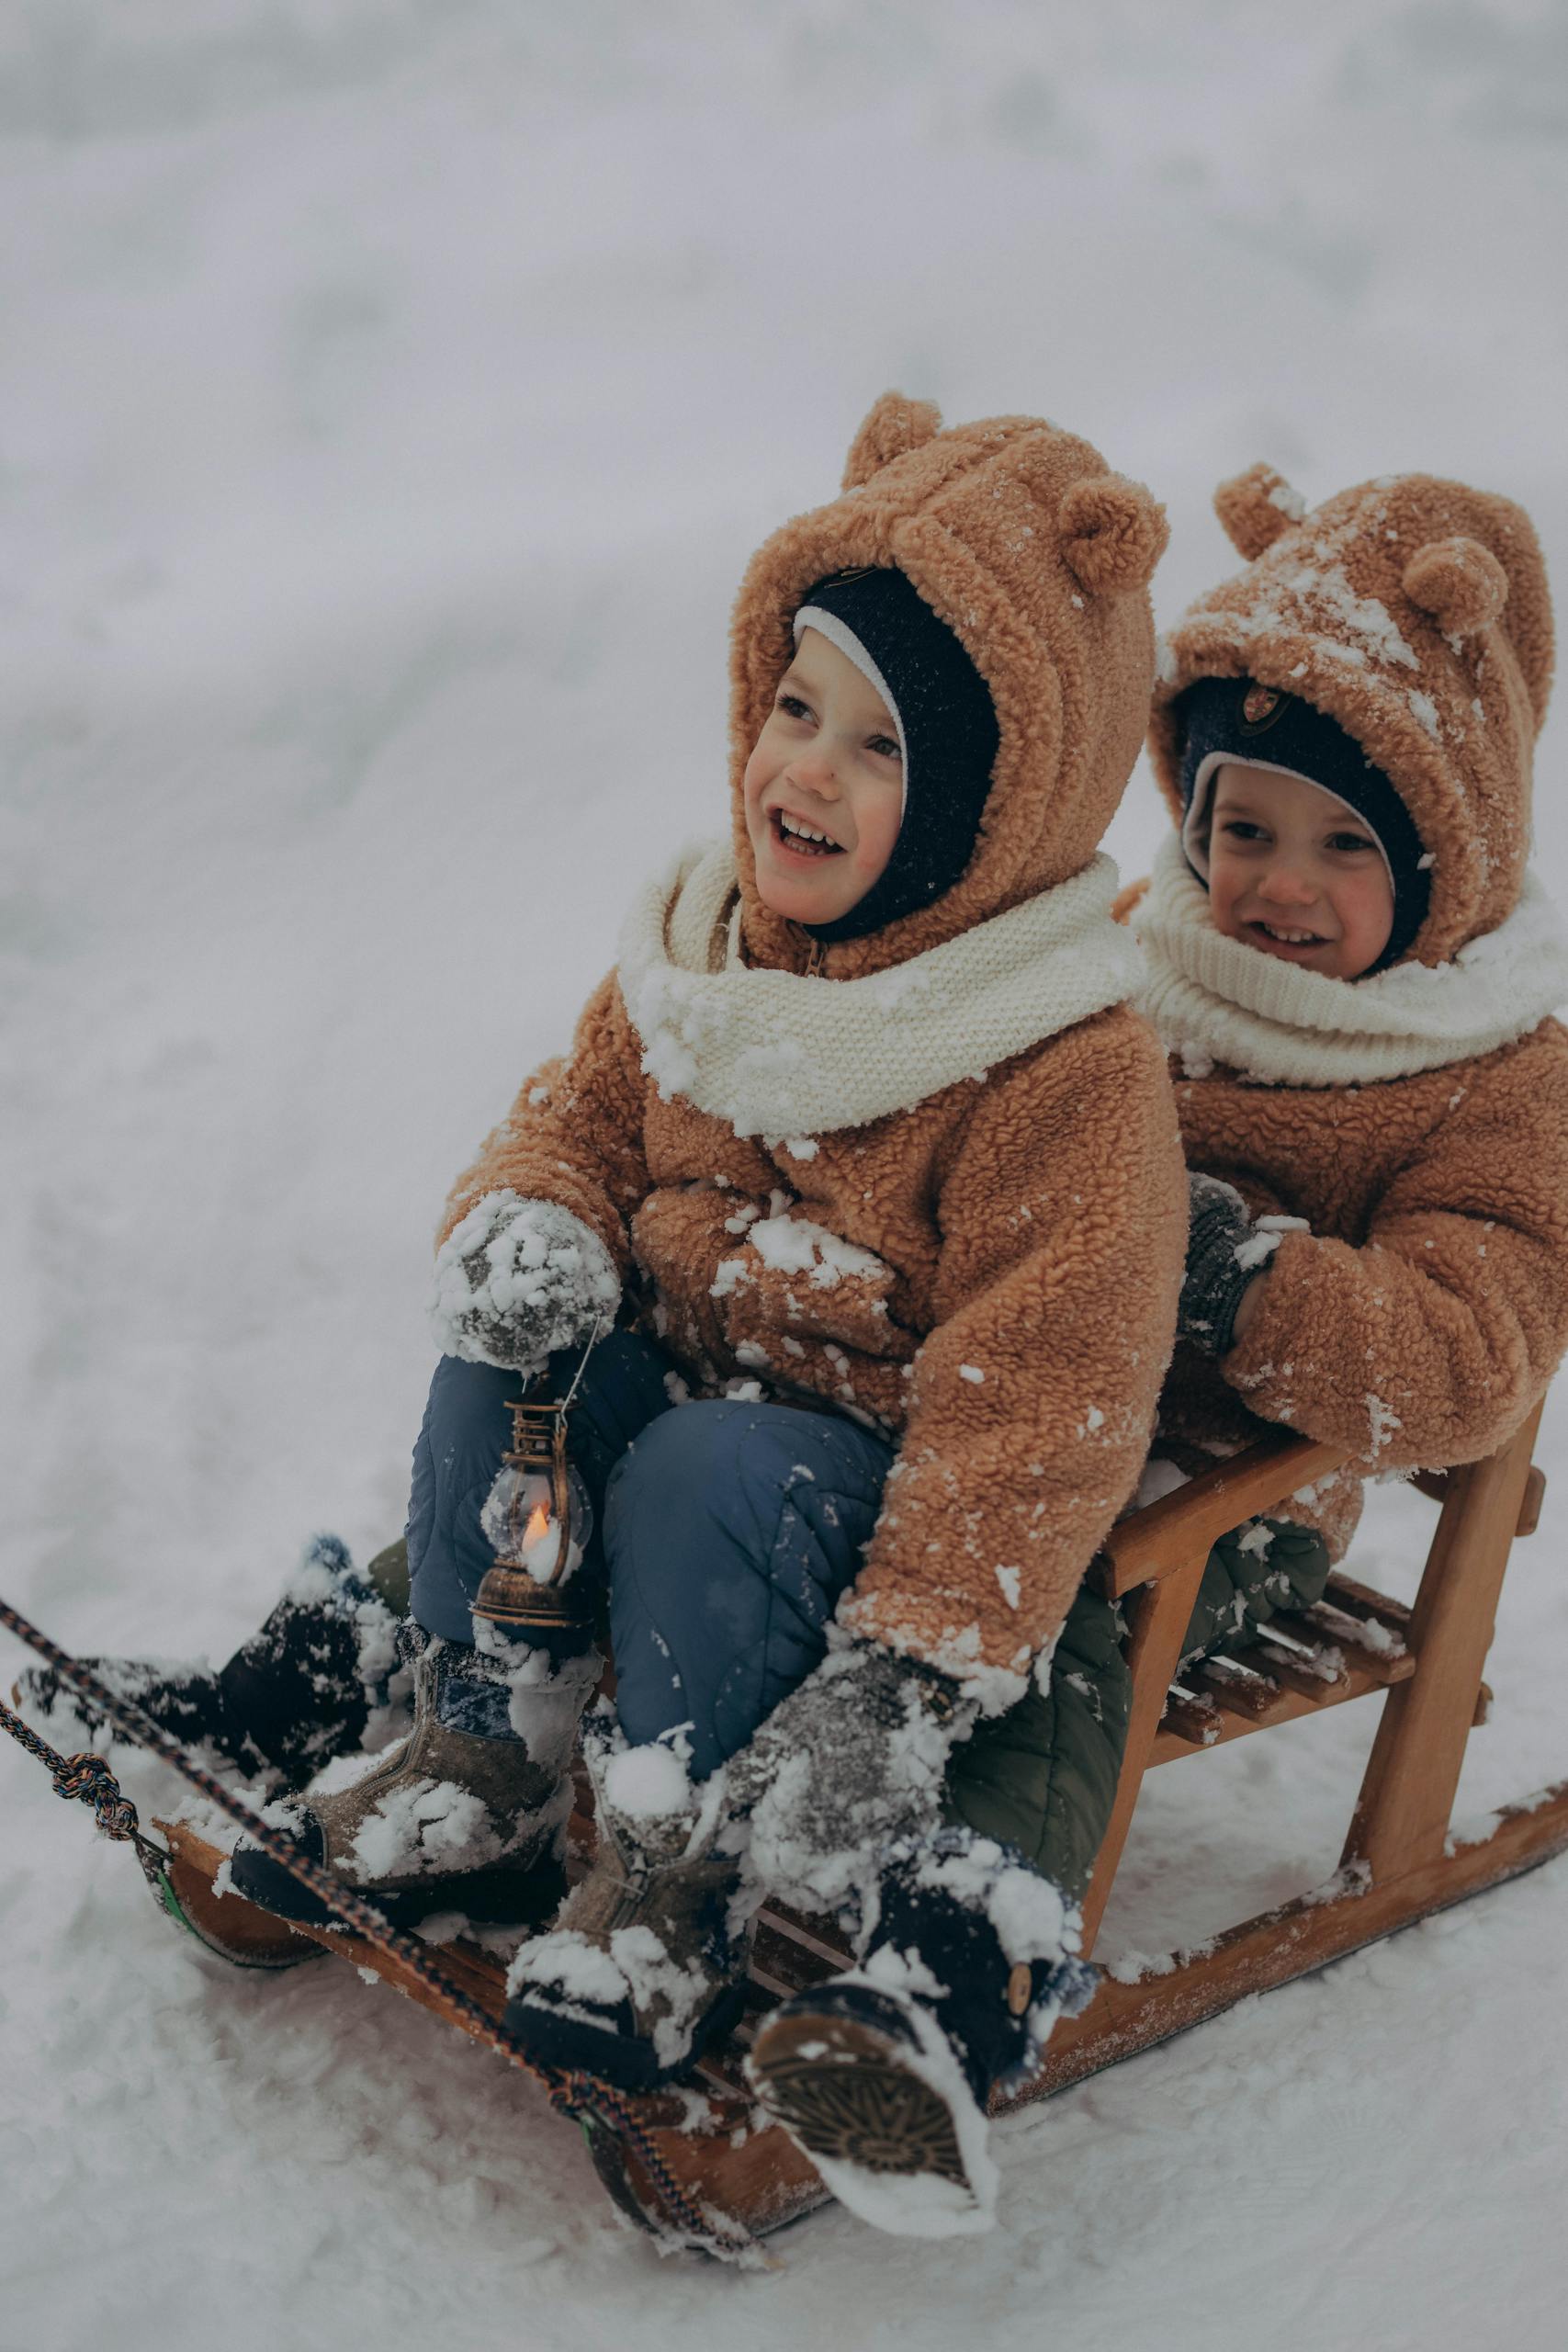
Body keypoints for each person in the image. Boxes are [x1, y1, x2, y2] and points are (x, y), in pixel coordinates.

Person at [28, 393, 1189, 2236]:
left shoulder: (1056, 1062)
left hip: (827, 1519)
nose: (800, 768)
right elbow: (573, 1109)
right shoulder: (704, 944)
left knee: (711, 1464)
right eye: (792, 706)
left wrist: (897, 1673)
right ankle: (483, 1733)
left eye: (877, 744)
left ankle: (664, 1865)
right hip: (632, 1447)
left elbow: (1044, 1394)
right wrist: (533, 1216)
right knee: (516, 1377)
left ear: (989, 799)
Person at [1030, 462, 1568, 1876]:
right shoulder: (1148, 945)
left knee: (1033, 1594)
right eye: (1246, 826)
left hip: (1234, 1484)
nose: (1277, 882)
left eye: (1345, 845)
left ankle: (963, 1910)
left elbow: (1468, 1358)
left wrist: (1236, 1274)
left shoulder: (1493, 1069)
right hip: (1026, 1384)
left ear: (1446, 859)